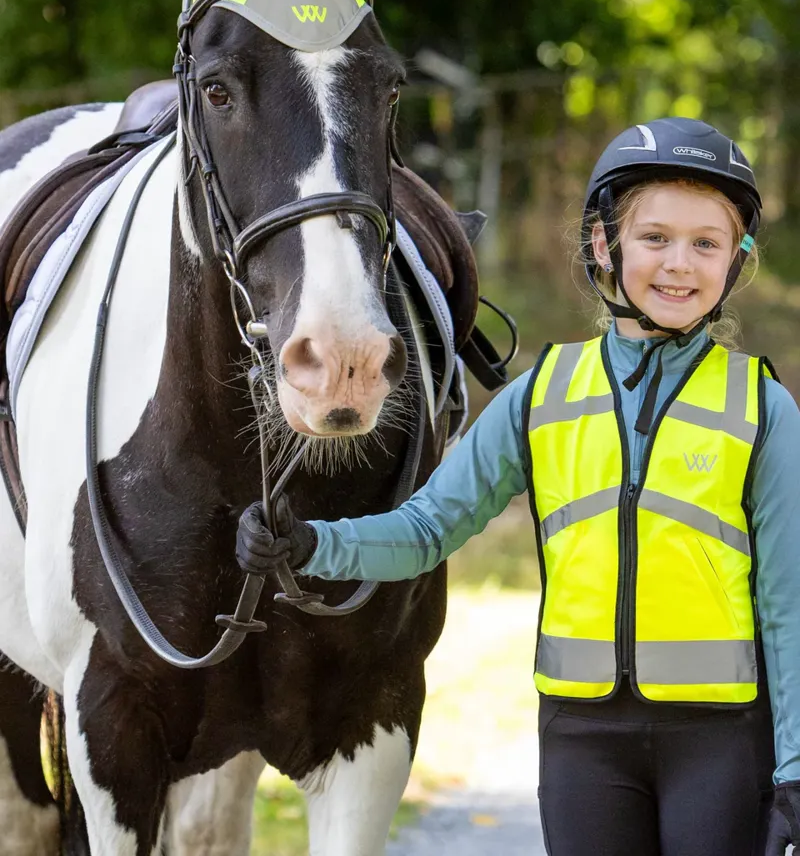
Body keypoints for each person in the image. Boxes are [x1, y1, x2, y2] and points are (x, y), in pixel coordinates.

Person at [237, 117, 800, 856]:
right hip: (583, 745)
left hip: (723, 745)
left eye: (707, 243)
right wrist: (311, 543)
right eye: (654, 238)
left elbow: (789, 604)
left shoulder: (763, 409)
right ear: (605, 243)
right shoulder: (540, 397)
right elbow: (427, 530)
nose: (679, 265)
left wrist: (794, 769)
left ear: (736, 260)